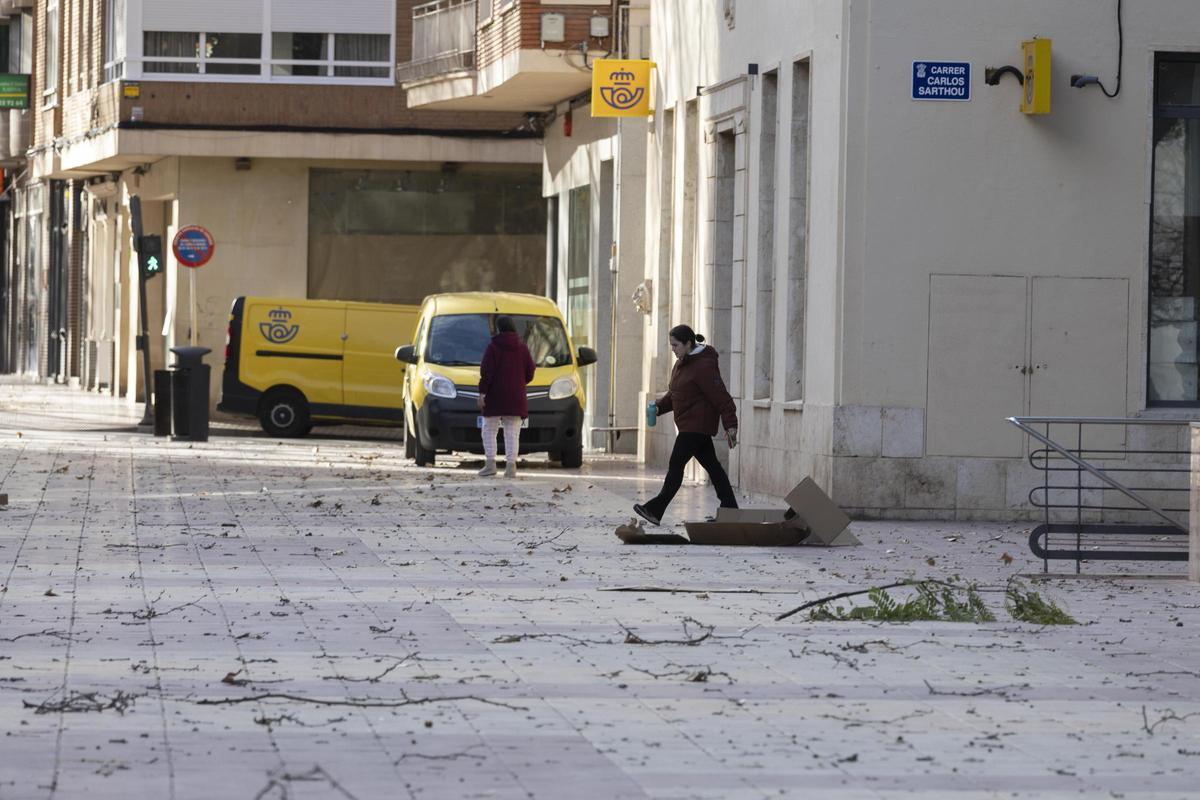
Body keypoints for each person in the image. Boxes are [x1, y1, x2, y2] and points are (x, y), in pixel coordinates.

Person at [634, 324, 739, 525]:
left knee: (676, 465)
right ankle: (730, 508)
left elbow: (721, 397)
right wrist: (658, 407)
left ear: (688, 343)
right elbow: (675, 394)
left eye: (675, 345)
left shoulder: (704, 366)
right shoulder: (682, 363)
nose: (672, 349)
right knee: (713, 467)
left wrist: (730, 424)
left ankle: (655, 509)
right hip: (690, 426)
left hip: (696, 426)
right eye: (671, 345)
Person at [477, 315, 536, 478]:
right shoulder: (523, 348)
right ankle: (511, 467)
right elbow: (530, 372)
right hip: (516, 397)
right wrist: (518, 382)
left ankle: (490, 464)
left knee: (489, 429)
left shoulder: (493, 347)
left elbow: (486, 373)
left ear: (499, 328)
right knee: (512, 433)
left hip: (495, 396)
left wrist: (482, 393)